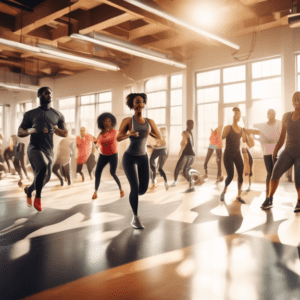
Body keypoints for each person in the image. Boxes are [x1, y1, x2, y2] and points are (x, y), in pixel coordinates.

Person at [18, 87, 68, 212]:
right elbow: (20, 132)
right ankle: (38, 198)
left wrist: (56, 129)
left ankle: (29, 190)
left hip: (49, 150)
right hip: (34, 148)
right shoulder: (30, 114)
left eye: (50, 93)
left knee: (46, 178)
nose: (49, 95)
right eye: (46, 93)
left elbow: (64, 133)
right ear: (39, 95)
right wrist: (33, 130)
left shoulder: (58, 114)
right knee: (43, 166)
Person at [117, 93, 161, 229]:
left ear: (144, 104)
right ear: (132, 105)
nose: (138, 104)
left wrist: (147, 132)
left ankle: (135, 196)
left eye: (141, 102)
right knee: (134, 188)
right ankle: (135, 218)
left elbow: (158, 136)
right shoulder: (128, 120)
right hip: (129, 157)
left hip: (143, 157)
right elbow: (118, 138)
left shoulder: (149, 122)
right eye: (136, 102)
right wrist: (129, 134)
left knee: (142, 189)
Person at [261, 92, 300, 212]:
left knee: (299, 178)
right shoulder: (286, 116)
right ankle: (270, 198)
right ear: (292, 101)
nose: (297, 100)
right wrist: (276, 150)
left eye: (299, 98)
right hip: (288, 151)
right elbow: (282, 137)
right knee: (275, 172)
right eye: (295, 99)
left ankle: (299, 201)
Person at [220, 107, 258, 203]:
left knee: (240, 174)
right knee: (230, 175)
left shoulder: (241, 130)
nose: (237, 115)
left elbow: (246, 141)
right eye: (236, 113)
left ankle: (239, 195)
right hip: (228, 154)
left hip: (237, 154)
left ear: (240, 116)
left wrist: (247, 132)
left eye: (239, 114)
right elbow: (222, 136)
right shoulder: (228, 127)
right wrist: (225, 128)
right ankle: (223, 192)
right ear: (233, 115)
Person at [92, 112, 124, 200]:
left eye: (109, 121)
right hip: (103, 156)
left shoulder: (115, 132)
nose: (107, 123)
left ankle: (121, 189)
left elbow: (122, 136)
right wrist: (95, 144)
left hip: (113, 155)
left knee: (113, 173)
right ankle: (95, 192)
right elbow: (97, 146)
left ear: (112, 122)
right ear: (102, 123)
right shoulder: (100, 134)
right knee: (97, 173)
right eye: (105, 121)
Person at [254, 109, 281, 197]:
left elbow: (280, 136)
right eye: (268, 113)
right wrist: (257, 138)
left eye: (271, 113)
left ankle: (271, 194)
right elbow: (259, 134)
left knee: (274, 173)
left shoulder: (279, 124)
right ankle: (267, 195)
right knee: (269, 173)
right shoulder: (264, 126)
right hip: (266, 152)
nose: (269, 114)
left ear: (275, 114)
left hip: (275, 152)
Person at [170, 120, 196, 190]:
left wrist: (182, 144)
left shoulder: (186, 132)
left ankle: (175, 182)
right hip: (192, 155)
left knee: (178, 169)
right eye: (191, 125)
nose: (192, 126)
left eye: (192, 125)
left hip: (186, 154)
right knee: (184, 171)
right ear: (187, 125)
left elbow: (185, 143)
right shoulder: (189, 133)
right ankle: (191, 183)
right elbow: (190, 144)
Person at [148, 126, 169, 191]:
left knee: (154, 166)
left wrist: (153, 145)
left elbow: (158, 145)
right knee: (158, 168)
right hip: (161, 151)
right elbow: (158, 144)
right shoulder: (162, 137)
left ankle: (155, 184)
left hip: (158, 151)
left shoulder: (162, 137)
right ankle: (163, 182)